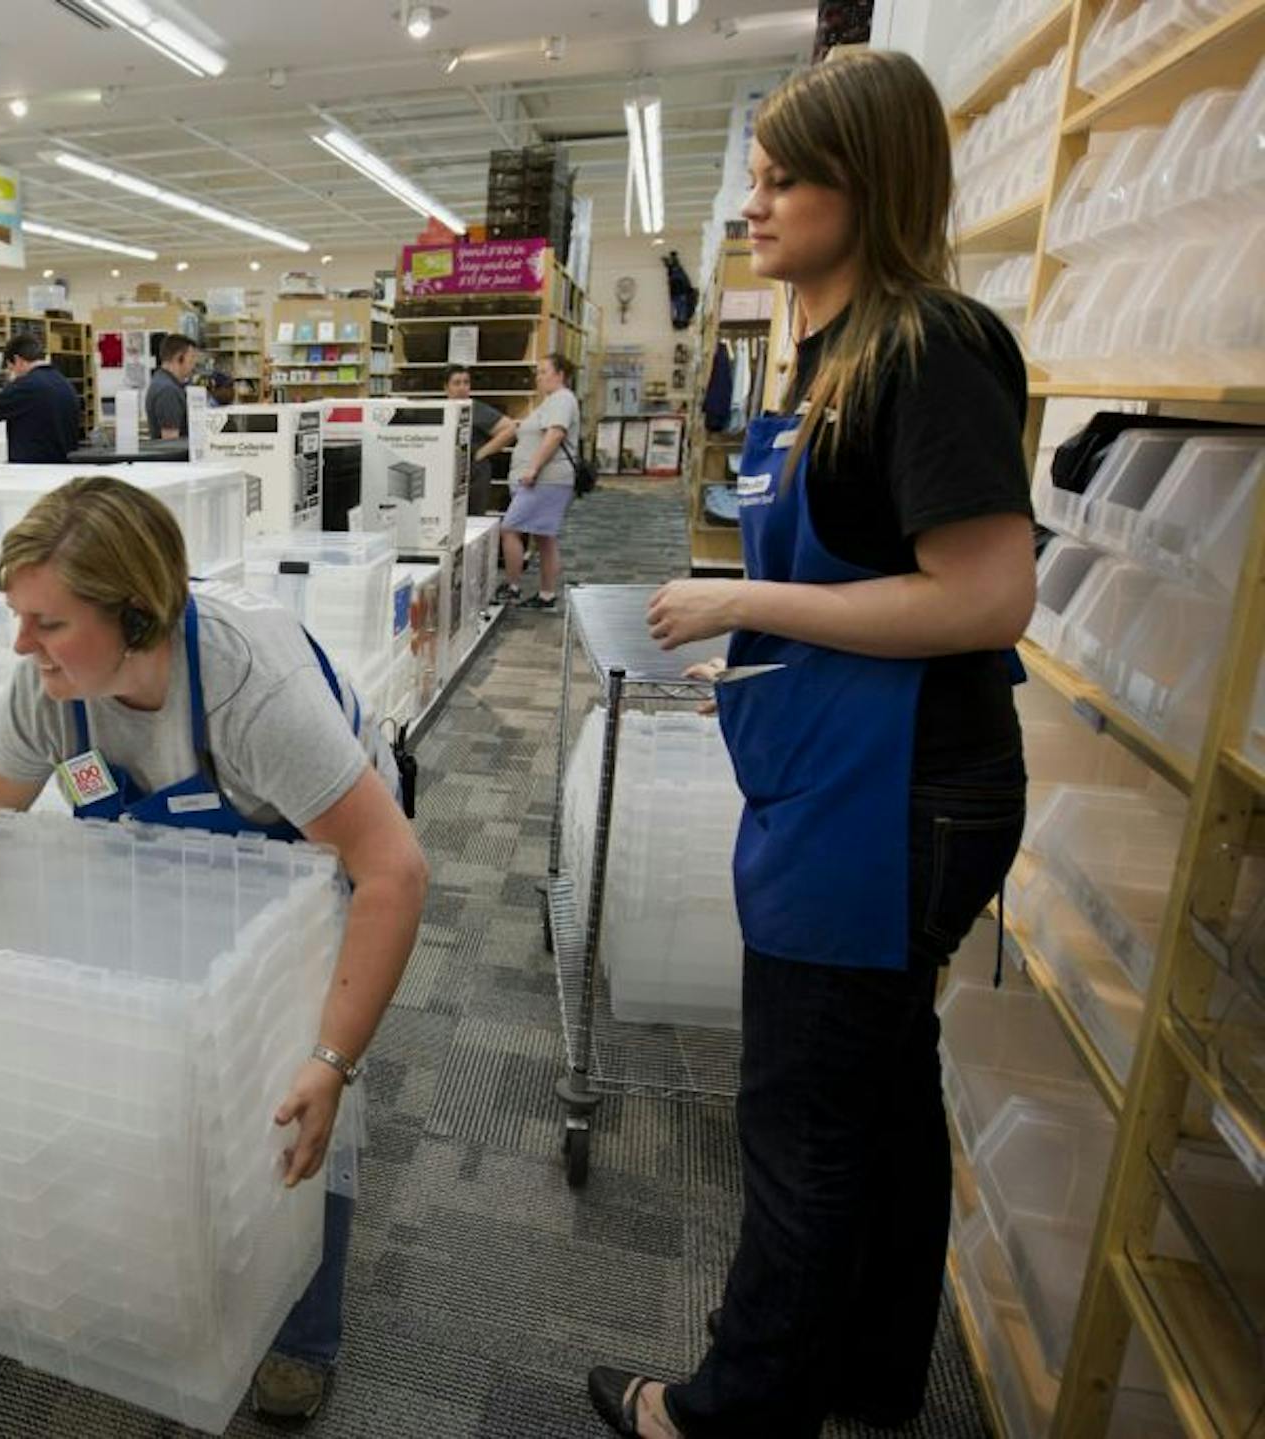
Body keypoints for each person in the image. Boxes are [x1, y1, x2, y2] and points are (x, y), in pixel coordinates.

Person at [587, 49, 1035, 1439]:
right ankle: (869, 1371)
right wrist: (767, 651)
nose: (759, 203)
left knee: (800, 1125)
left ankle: (733, 1406)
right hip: (842, 778)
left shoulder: (929, 347)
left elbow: (985, 591)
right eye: (760, 175)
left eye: (791, 178)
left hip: (888, 802)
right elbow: (875, 576)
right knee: (883, 1102)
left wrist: (745, 598)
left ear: (873, 181)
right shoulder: (829, 355)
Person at [0, 474, 428, 1424]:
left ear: (136, 614)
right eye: (16, 616)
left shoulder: (252, 695)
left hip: (318, 860)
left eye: (47, 620)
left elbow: (393, 873)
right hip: (181, 866)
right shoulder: (51, 691)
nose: (20, 643)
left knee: (288, 1096)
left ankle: (301, 1332)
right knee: (169, 1073)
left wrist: (332, 1060)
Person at [496, 354, 579, 610]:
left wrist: (532, 468)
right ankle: (546, 594)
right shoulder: (553, 401)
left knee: (510, 529)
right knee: (544, 537)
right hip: (547, 480)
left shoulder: (562, 399)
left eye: (544, 371)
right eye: (538, 372)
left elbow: (554, 435)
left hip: (546, 480)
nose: (539, 377)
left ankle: (513, 586)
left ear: (560, 375)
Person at [0, 332, 81, 464]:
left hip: (33, 470)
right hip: (62, 467)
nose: (11, 374)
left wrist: (11, 384)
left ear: (17, 360)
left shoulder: (25, 386)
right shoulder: (64, 382)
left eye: (10, 368)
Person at [447, 364, 518, 505]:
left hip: (475, 474)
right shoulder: (443, 410)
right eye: (456, 383)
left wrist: (482, 452)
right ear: (446, 387)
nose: (462, 387)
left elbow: (511, 428)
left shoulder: (476, 408)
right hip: (450, 471)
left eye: (466, 383)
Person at [145, 333, 198, 440]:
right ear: (179, 357)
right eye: (191, 358)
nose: (194, 364)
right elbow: (171, 441)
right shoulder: (168, 391)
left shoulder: (162, 381)